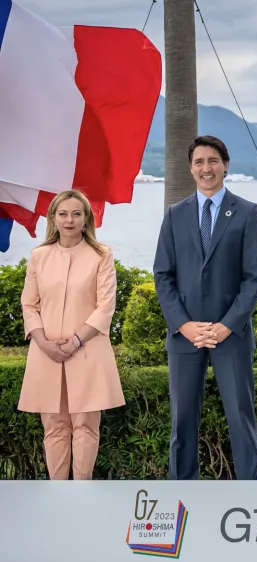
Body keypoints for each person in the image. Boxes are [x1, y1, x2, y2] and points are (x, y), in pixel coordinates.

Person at [153, 135, 257, 480]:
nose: (206, 168)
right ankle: (182, 495)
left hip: (231, 335)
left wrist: (227, 325)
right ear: (191, 168)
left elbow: (253, 277)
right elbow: (163, 275)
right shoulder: (175, 215)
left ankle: (250, 494)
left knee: (241, 419)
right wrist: (184, 325)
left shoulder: (247, 212)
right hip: (185, 336)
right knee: (182, 422)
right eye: (199, 161)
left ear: (225, 165)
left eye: (213, 160)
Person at [18, 189, 125, 480]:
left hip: (88, 350)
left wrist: (76, 341)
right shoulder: (39, 256)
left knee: (86, 427)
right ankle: (58, 493)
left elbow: (106, 306)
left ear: (86, 218)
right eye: (63, 214)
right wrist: (43, 342)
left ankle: (82, 492)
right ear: (53, 217)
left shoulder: (101, 255)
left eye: (76, 214)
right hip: (46, 353)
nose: (69, 220)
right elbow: (29, 304)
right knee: (54, 427)